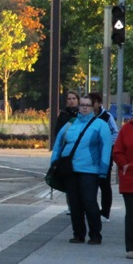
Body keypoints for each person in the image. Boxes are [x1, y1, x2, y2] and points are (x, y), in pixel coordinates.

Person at [50, 94, 112, 245]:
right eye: (82, 105)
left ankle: (95, 234)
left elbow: (106, 148)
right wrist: (53, 164)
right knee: (75, 203)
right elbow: (58, 144)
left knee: (89, 202)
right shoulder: (71, 123)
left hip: (90, 171)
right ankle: (78, 234)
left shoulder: (100, 125)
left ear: (93, 107)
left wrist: (103, 170)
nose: (84, 108)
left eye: (87, 105)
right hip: (70, 170)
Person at [112, 99, 133, 258]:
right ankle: (131, 247)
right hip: (131, 178)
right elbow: (117, 152)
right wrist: (124, 165)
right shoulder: (126, 129)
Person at [89, 91, 118, 218]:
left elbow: (115, 133)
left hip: (105, 156)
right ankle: (91, 210)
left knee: (104, 183)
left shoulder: (107, 116)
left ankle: (105, 212)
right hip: (90, 155)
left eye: (94, 102)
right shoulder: (86, 116)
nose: (91, 105)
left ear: (99, 103)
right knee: (90, 183)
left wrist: (106, 145)